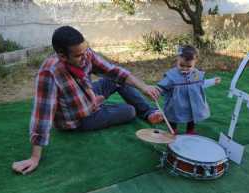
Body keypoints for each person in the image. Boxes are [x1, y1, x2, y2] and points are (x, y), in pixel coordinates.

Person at [12, 26, 163, 175]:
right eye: (79, 55)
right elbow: (42, 115)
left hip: (87, 96)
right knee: (130, 111)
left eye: (86, 50)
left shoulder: (84, 53)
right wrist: (35, 157)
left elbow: (113, 71)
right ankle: (103, 105)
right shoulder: (49, 72)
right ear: (62, 56)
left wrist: (144, 87)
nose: (86, 57)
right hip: (79, 119)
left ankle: (149, 112)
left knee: (116, 80)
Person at [157, 45, 221, 135]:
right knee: (173, 116)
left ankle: (190, 130)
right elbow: (163, 86)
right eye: (181, 65)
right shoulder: (172, 75)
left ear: (195, 62)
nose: (185, 69)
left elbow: (201, 84)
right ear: (177, 59)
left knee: (192, 115)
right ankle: (173, 130)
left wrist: (212, 81)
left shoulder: (196, 74)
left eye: (189, 66)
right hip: (176, 103)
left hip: (193, 102)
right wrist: (157, 91)